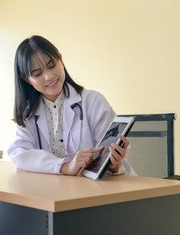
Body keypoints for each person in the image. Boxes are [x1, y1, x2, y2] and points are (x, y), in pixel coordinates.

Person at [7, 35, 136, 176]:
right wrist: (64, 166)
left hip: (100, 189)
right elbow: (20, 153)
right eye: (37, 74)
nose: (48, 76)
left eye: (52, 66)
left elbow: (110, 159)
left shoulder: (93, 101)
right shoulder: (28, 113)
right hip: (55, 191)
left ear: (61, 60)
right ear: (27, 79)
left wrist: (112, 164)